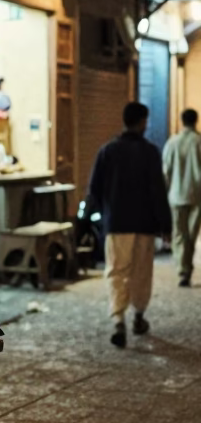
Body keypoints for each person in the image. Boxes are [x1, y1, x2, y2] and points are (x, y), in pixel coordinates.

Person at [87, 101, 171, 348]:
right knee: (141, 272)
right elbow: (158, 192)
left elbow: (94, 190)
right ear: (142, 122)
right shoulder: (150, 152)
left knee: (117, 270)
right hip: (144, 224)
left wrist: (95, 219)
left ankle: (118, 320)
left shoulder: (107, 151)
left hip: (116, 224)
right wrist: (165, 225)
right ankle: (139, 316)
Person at [163, 108, 201, 287]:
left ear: (181, 121)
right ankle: (187, 268)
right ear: (196, 121)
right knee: (191, 236)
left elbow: (165, 171)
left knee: (179, 234)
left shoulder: (172, 143)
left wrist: (165, 192)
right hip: (197, 196)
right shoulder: (199, 142)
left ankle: (182, 270)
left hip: (176, 195)